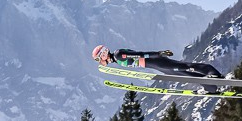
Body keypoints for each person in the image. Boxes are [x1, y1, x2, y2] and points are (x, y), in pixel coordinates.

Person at [92, 45, 223, 78]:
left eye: (99, 59)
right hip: (154, 65)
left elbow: (140, 55)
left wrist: (159, 54)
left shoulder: (119, 55)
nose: (100, 62)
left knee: (182, 67)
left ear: (103, 54)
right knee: (179, 74)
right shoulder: (117, 58)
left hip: (156, 61)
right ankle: (207, 84)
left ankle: (210, 71)